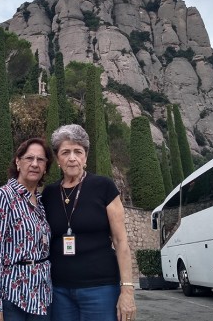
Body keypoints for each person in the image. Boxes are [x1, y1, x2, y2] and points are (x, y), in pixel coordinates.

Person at [42, 124, 137, 321]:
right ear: (57, 158)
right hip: (59, 291)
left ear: (85, 157)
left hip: (100, 288)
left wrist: (127, 290)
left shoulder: (104, 187)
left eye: (78, 151)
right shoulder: (49, 194)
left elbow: (121, 242)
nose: (72, 158)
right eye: (65, 152)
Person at [0, 138, 54, 321]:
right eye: (29, 158)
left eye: (41, 160)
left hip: (41, 297)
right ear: (18, 161)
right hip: (11, 299)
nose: (35, 164)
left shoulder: (40, 203)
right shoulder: (2, 197)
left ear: (46, 167)